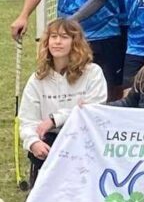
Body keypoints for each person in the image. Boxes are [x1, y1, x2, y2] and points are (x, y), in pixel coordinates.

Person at [19, 18, 107, 185]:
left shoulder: (93, 73)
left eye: (64, 37)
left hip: (83, 138)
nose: (57, 42)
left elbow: (94, 109)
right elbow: (27, 121)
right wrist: (33, 142)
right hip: (51, 140)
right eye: (53, 37)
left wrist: (55, 119)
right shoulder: (37, 79)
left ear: (75, 42)